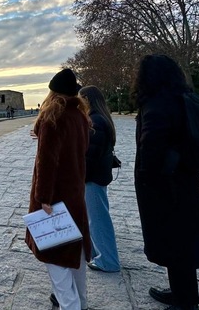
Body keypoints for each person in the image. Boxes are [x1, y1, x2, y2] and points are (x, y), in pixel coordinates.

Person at [131, 54, 199, 310]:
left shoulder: (156, 106)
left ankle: (186, 302)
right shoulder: (180, 100)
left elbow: (151, 149)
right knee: (183, 242)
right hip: (185, 183)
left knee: (174, 243)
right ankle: (182, 292)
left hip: (166, 188)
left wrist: (146, 183)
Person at [26, 69, 92, 310]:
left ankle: (71, 306)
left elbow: (47, 162)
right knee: (76, 257)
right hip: (75, 193)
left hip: (55, 198)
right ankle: (81, 303)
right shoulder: (80, 117)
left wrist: (43, 197)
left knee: (56, 259)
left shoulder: (53, 118)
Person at [79, 85, 121, 272]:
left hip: (93, 178)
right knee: (95, 218)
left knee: (98, 220)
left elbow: (90, 155)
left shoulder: (96, 121)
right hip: (98, 176)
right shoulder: (101, 118)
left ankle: (108, 261)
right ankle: (99, 254)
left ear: (87, 99)